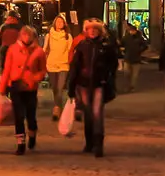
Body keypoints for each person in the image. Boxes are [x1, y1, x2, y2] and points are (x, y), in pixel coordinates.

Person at [65, 19, 119, 158]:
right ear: (86, 31)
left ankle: (98, 144)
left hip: (99, 84)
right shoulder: (82, 45)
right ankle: (89, 142)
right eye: (90, 29)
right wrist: (71, 86)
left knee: (97, 113)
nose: (92, 31)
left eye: (95, 29)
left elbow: (113, 64)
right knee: (88, 113)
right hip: (83, 84)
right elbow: (75, 66)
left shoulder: (106, 46)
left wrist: (108, 78)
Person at [0, 23, 47, 155]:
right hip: (16, 84)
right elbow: (7, 69)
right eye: (24, 34)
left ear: (32, 36)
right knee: (18, 116)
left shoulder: (38, 51)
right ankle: (20, 143)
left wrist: (35, 78)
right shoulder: (13, 49)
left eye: (28, 35)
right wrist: (2, 87)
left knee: (31, 116)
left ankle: (32, 134)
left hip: (30, 87)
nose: (26, 37)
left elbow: (43, 70)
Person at [45, 13, 75, 114]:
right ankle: (58, 106)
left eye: (61, 22)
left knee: (60, 88)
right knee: (54, 88)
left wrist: (70, 61)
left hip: (63, 64)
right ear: (54, 23)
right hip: (51, 64)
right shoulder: (49, 35)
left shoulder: (68, 36)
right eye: (58, 22)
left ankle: (57, 109)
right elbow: (45, 49)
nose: (59, 23)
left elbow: (71, 50)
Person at [121, 21, 148, 92]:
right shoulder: (126, 37)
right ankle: (127, 86)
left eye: (133, 31)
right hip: (127, 57)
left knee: (134, 75)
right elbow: (121, 44)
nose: (132, 32)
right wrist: (123, 50)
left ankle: (132, 87)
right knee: (126, 73)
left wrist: (139, 50)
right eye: (130, 31)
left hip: (136, 59)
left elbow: (145, 46)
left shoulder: (139, 38)